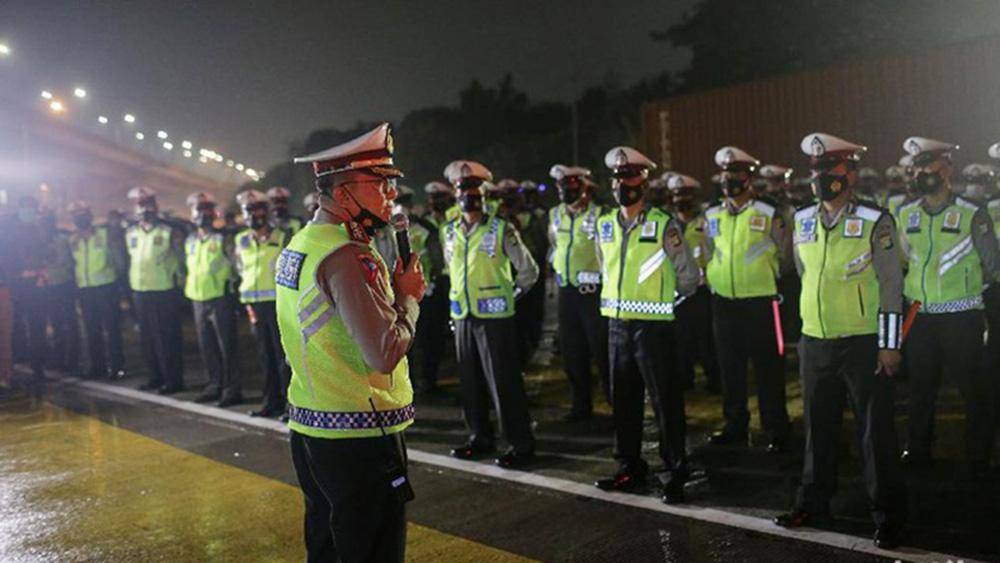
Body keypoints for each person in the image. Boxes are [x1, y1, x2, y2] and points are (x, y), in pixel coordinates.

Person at [281, 122, 424, 563]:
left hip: (312, 424)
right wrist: (409, 297)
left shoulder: (303, 243)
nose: (390, 195)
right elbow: (383, 352)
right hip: (360, 429)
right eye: (379, 183)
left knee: (327, 544)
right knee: (372, 549)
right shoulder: (347, 256)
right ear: (343, 194)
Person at [774, 132, 906, 550]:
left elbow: (890, 283)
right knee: (818, 428)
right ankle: (813, 502)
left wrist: (889, 345)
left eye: (830, 169)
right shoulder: (803, 219)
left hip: (863, 342)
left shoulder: (875, 219)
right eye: (816, 170)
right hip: (815, 341)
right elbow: (801, 270)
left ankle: (887, 514)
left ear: (850, 172)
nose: (821, 177)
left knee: (874, 434)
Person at [593, 146, 699, 504]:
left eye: (631, 177)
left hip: (653, 327)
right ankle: (629, 466)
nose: (625, 184)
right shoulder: (604, 225)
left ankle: (675, 471)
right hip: (616, 327)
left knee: (665, 402)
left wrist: (667, 303)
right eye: (619, 178)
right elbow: (603, 267)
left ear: (644, 182)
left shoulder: (663, 225)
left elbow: (689, 277)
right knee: (623, 401)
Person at [897, 137, 999, 477]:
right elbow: (902, 261)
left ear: (947, 169)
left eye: (931, 167)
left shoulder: (972, 213)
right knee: (921, 390)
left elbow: (992, 265)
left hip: (963, 317)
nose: (924, 174)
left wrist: (968, 288)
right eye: (918, 168)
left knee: (974, 391)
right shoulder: (905, 214)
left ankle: (978, 455)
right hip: (921, 317)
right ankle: (919, 449)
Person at [443, 159, 540, 469]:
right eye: (463, 191)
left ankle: (519, 443)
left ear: (484, 195)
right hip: (462, 316)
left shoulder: (501, 228)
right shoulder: (450, 232)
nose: (469, 197)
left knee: (504, 383)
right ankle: (479, 437)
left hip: (495, 319)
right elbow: (452, 271)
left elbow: (528, 272)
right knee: (470, 383)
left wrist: (507, 298)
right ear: (456, 195)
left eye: (474, 191)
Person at [703, 146, 792, 452]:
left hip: (761, 302)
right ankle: (735, 424)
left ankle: (776, 427)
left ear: (749, 177)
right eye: (726, 175)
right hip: (724, 302)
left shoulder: (768, 211)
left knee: (768, 369)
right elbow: (708, 251)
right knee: (730, 368)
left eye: (736, 174)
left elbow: (786, 254)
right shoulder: (712, 212)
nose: (730, 180)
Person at [548, 164, 610, 421]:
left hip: (594, 293)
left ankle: (616, 401)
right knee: (572, 352)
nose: (566, 192)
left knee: (603, 350)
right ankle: (581, 404)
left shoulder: (601, 215)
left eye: (572, 188)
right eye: (562, 188)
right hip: (568, 293)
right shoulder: (555, 214)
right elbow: (553, 246)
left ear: (585, 188)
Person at [234, 190, 293, 419]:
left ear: (266, 212)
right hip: (255, 306)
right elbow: (241, 270)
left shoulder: (283, 236)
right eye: (248, 210)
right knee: (265, 357)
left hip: (278, 305)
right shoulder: (242, 240)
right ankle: (271, 403)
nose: (253, 214)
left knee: (283, 358)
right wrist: (248, 304)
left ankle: (292, 406)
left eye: (258, 209)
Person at [125, 187, 185, 394]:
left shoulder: (168, 231)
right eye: (140, 204)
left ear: (155, 205)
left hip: (163, 291)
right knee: (148, 338)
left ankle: (173, 379)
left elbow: (180, 260)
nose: (144, 208)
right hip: (140, 292)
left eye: (148, 203)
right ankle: (155, 377)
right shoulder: (131, 233)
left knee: (166, 338)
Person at [184, 192, 242, 407]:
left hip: (220, 299)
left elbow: (236, 267)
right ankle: (214, 385)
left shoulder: (224, 238)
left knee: (227, 347)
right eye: (199, 209)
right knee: (207, 347)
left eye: (207, 209)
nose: (203, 213)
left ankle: (232, 389)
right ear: (192, 213)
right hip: (198, 299)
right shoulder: (190, 240)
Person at [666, 173, 721, 394]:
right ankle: (684, 379)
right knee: (680, 340)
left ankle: (714, 379)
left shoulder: (704, 222)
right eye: (677, 195)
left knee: (706, 339)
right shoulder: (667, 224)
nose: (682, 199)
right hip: (676, 291)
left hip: (701, 289)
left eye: (686, 194)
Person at [68, 201, 126, 380]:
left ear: (90, 215)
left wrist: (119, 282)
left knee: (111, 329)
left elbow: (119, 261)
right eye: (76, 215)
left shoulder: (104, 234)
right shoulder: (73, 240)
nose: (80, 217)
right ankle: (97, 367)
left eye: (83, 213)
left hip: (106, 287)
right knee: (91, 330)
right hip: (85, 289)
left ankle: (116, 367)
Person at [396, 185, 446, 393]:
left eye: (403, 203)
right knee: (402, 342)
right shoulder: (384, 230)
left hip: (423, 294)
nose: (399, 208)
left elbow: (437, 259)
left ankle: (429, 381)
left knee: (426, 340)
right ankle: (406, 384)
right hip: (397, 296)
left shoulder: (426, 229)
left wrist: (432, 281)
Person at [40, 208, 80, 374]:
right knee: (55, 323)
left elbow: (73, 260)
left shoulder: (65, 239)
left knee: (69, 324)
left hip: (64, 285)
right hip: (49, 287)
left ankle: (72, 360)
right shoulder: (40, 240)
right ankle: (59, 358)